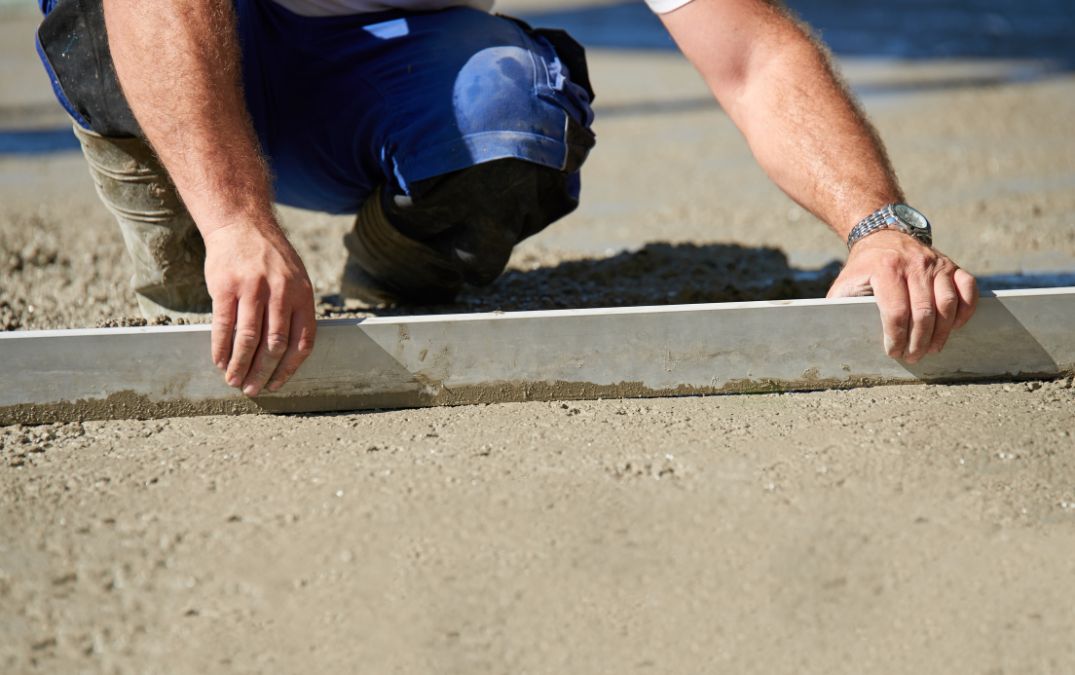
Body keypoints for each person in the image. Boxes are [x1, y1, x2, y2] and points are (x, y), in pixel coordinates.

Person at [36, 0, 978, 398]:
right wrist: (235, 218)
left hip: (376, 85)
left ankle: (404, 254)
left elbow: (755, 55)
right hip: (196, 60)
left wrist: (880, 226)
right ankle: (181, 214)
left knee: (515, 99)